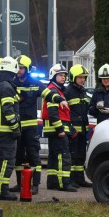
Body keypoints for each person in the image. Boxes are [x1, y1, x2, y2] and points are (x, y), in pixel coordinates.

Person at [0, 56, 20, 201]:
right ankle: (1, 191)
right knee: (7, 161)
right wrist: (15, 128)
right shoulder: (7, 87)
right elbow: (8, 110)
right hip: (6, 132)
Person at [42, 64, 79, 192]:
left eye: (64, 75)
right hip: (57, 130)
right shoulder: (53, 91)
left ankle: (52, 182)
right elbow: (53, 113)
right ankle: (64, 183)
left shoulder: (57, 90)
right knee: (64, 156)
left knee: (53, 157)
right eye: (60, 75)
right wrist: (60, 130)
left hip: (55, 130)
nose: (63, 77)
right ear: (53, 76)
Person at [12, 55, 44, 195]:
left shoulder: (35, 83)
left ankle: (35, 184)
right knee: (18, 156)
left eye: (22, 68)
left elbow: (47, 92)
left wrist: (59, 98)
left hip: (30, 127)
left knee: (33, 155)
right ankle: (20, 184)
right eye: (18, 67)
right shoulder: (12, 83)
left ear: (28, 69)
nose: (19, 70)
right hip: (17, 126)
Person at [65, 64, 92, 188]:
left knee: (81, 156)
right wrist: (70, 129)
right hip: (73, 131)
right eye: (80, 77)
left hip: (82, 131)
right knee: (73, 156)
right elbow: (66, 113)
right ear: (73, 77)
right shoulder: (68, 92)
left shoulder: (82, 91)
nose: (83, 80)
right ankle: (71, 180)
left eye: (84, 77)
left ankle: (80, 179)